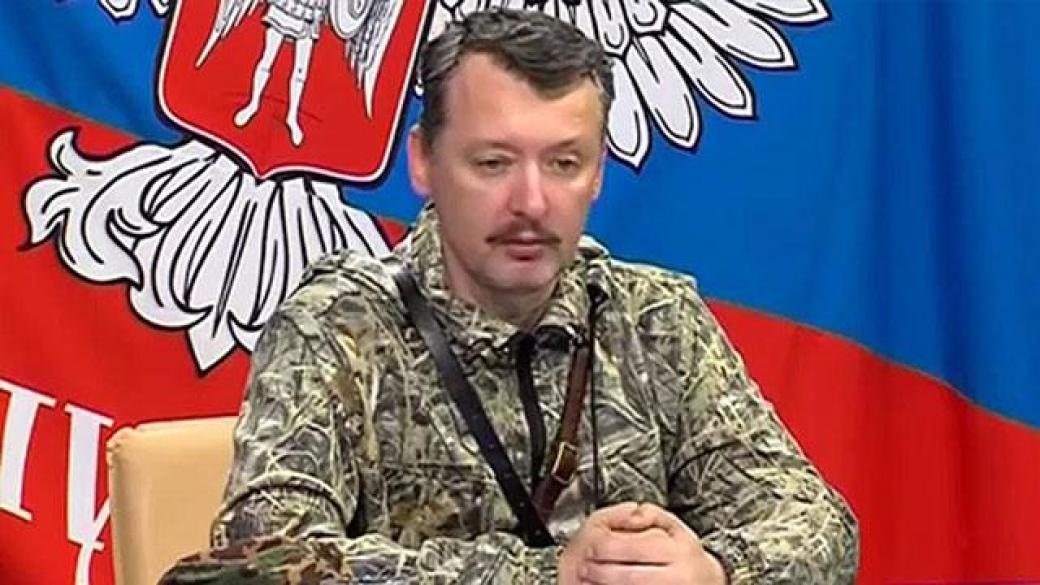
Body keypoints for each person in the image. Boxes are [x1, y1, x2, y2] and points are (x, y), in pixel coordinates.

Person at [162, 8, 859, 585]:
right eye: (493, 163)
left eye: (564, 163)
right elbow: (259, 566)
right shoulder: (338, 327)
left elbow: (819, 524)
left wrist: (717, 569)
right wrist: (554, 575)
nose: (531, 202)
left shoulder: (656, 320)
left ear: (598, 174)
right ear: (424, 162)